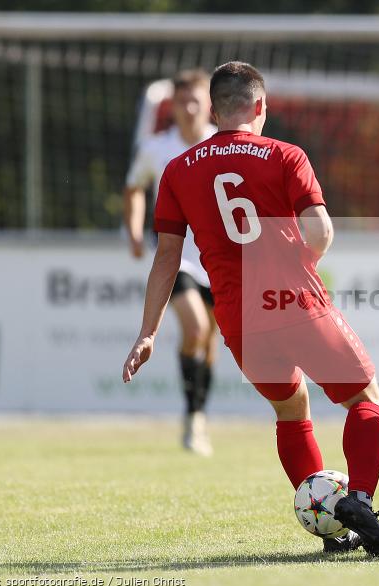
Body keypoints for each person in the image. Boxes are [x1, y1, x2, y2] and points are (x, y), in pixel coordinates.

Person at [121, 61, 379, 557]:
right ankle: (357, 500)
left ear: (213, 108)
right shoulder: (286, 155)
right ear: (260, 107)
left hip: (239, 321)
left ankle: (332, 529)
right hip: (296, 301)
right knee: (365, 400)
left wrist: (147, 332)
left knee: (291, 410)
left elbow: (166, 257)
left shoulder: (179, 169)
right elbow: (321, 232)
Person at [123, 69, 218, 456]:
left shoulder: (223, 143)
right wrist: (132, 229)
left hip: (217, 259)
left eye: (196, 100)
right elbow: (134, 189)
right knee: (194, 329)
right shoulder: (157, 147)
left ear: (210, 104)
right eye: (182, 101)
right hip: (176, 257)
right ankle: (193, 418)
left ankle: (197, 415)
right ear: (173, 106)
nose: (190, 107)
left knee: (209, 341)